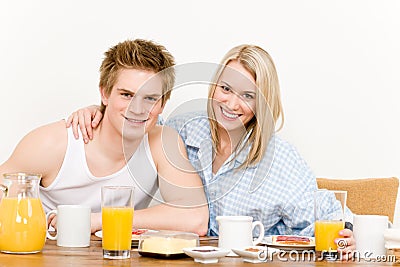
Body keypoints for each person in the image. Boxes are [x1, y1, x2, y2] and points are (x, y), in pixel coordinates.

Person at [67, 44, 356, 256]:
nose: (231, 104)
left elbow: (326, 212)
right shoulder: (183, 129)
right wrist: (100, 110)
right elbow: (140, 120)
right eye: (226, 89)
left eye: (247, 96)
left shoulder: (280, 159)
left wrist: (348, 234)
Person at [0, 39, 209, 235]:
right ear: (104, 94)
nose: (137, 109)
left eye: (150, 98)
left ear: (163, 104)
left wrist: (99, 220)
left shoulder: (163, 143)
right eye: (126, 95)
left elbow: (196, 218)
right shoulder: (52, 143)